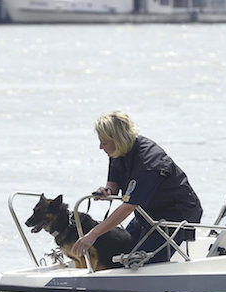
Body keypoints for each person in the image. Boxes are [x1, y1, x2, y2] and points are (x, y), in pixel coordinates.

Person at [74, 111, 202, 264]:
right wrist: (108, 190)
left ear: (118, 140)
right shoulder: (118, 152)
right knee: (116, 250)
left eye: (105, 142)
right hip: (147, 213)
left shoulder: (148, 163)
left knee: (137, 261)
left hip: (175, 217)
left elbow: (128, 207)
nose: (101, 147)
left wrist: (93, 234)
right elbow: (113, 182)